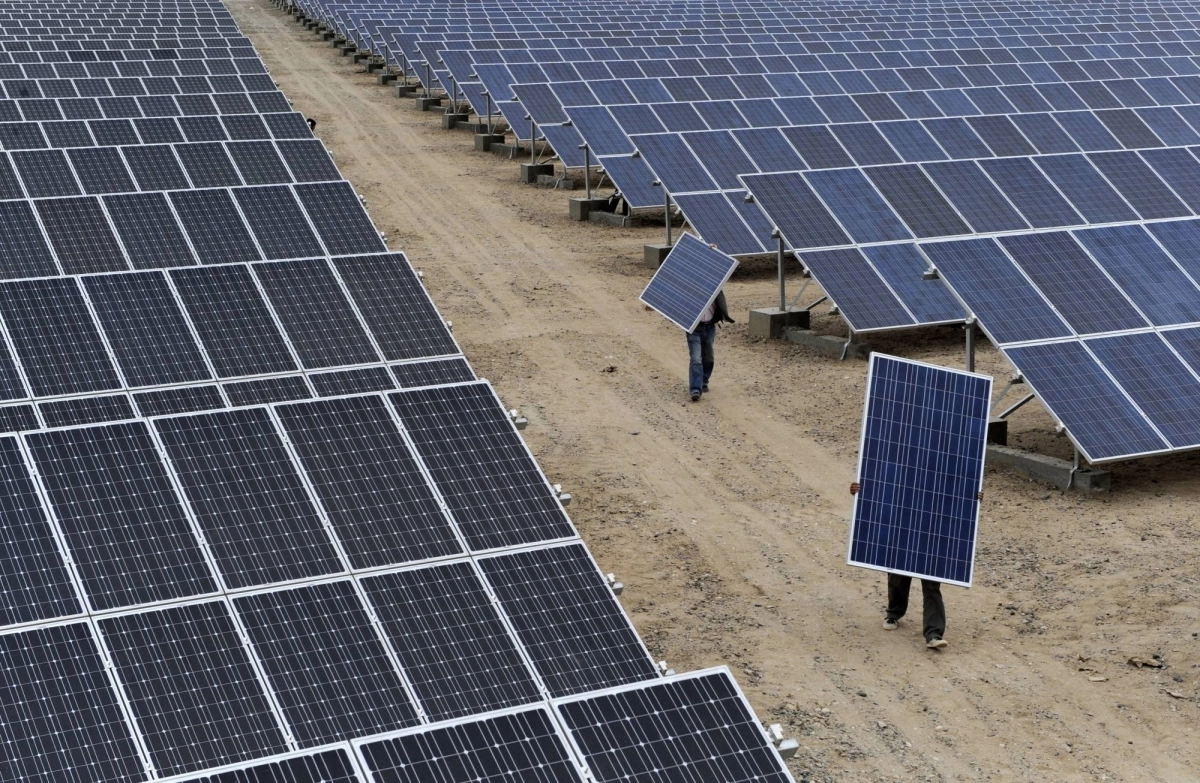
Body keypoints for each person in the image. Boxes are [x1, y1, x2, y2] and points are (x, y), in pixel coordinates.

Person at [849, 482, 982, 650]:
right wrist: (861, 491)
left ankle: (934, 634)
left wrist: (973, 498)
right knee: (898, 574)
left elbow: (956, 488)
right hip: (903, 524)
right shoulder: (902, 463)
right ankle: (894, 613)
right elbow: (883, 484)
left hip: (933, 530)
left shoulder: (943, 467)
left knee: (932, 584)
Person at [688, 288, 733, 401]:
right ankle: (695, 389)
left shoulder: (715, 287)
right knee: (696, 358)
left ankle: (703, 381)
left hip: (709, 327)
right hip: (694, 328)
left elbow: (721, 302)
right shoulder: (689, 289)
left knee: (709, 358)